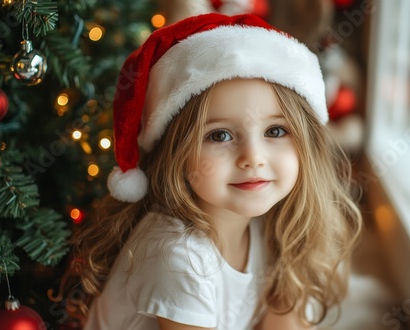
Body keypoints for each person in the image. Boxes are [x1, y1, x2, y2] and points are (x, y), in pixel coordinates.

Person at [63, 13, 362, 330]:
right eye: (220, 135)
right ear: (176, 153)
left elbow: (286, 319)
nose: (252, 158)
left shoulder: (270, 226)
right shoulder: (179, 258)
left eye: (275, 131)